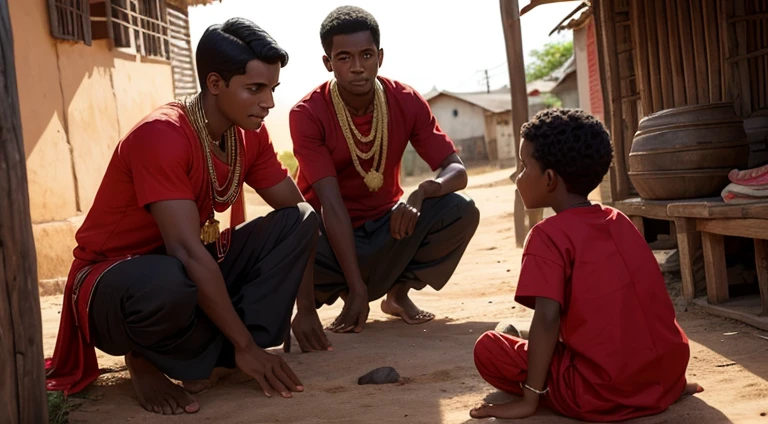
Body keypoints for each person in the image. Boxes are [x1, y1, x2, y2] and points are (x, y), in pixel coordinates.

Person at [45, 18, 330, 415]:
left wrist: (307, 309)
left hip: (184, 267)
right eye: (255, 89)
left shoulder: (249, 134)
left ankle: (220, 356)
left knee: (298, 220)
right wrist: (248, 346)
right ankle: (144, 359)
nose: (268, 102)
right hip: (114, 284)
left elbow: (297, 209)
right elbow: (184, 249)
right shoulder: (162, 135)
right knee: (172, 275)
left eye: (272, 89)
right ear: (215, 84)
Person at [470, 109, 702, 421]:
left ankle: (514, 342)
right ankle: (666, 385)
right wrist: (670, 381)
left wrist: (529, 400)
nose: (518, 177)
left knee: (489, 349)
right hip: (665, 376)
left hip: (598, 393)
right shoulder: (618, 220)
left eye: (524, 167)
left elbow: (548, 318)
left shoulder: (547, 235)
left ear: (550, 179)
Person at [289, 6, 480, 333]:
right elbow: (330, 204)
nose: (358, 68)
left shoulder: (406, 100)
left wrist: (422, 192)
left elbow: (456, 170)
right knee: (291, 233)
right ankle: (349, 291)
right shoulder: (308, 113)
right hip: (328, 236)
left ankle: (397, 294)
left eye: (366, 55)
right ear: (328, 63)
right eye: (345, 58)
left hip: (388, 228)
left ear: (380, 56)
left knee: (459, 211)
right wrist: (358, 288)